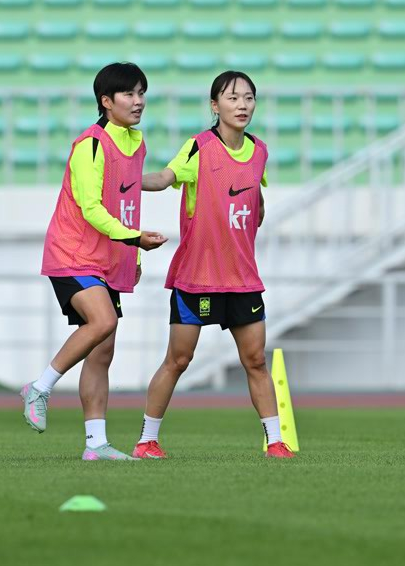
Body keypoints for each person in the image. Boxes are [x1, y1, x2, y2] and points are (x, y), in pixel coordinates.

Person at [131, 71, 293, 459]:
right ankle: (146, 440)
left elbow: (257, 203)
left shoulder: (260, 151)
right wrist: (126, 180)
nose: (242, 105)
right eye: (233, 98)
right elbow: (165, 177)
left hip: (243, 279)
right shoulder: (199, 147)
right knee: (179, 360)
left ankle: (276, 442)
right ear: (214, 105)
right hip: (197, 278)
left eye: (249, 98)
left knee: (255, 360)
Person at [23, 62, 167, 460]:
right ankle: (40, 387)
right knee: (103, 322)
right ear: (106, 102)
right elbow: (91, 207)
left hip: (108, 258)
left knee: (103, 349)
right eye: (129, 94)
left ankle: (95, 445)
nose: (138, 101)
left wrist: (132, 251)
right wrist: (134, 237)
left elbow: (128, 199)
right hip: (72, 253)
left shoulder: (136, 143)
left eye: (142, 93)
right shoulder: (90, 144)